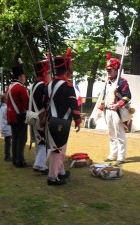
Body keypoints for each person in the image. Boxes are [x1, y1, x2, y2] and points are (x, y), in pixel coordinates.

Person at [44, 49, 82, 185]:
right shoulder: (67, 86)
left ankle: (61, 172)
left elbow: (45, 103)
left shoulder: (48, 85)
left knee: (58, 148)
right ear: (66, 70)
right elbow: (73, 105)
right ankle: (52, 177)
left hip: (50, 120)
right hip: (61, 122)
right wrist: (78, 121)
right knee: (58, 150)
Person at [99, 53, 132, 166]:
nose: (108, 72)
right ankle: (113, 154)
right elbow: (105, 95)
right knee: (111, 134)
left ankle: (121, 157)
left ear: (116, 70)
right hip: (108, 111)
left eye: (110, 70)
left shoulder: (122, 82)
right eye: (107, 70)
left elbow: (127, 96)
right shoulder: (107, 82)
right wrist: (101, 107)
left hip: (117, 111)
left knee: (120, 134)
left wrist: (118, 104)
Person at [6, 59, 29, 168]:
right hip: (20, 117)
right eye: (24, 76)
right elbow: (26, 104)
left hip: (11, 116)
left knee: (15, 139)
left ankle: (15, 159)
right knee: (21, 139)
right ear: (20, 77)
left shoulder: (9, 87)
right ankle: (20, 160)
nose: (25, 78)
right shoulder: (21, 88)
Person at [30, 59, 52, 174]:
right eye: (48, 73)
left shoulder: (33, 85)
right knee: (44, 141)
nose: (49, 75)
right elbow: (46, 103)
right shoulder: (43, 86)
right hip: (41, 116)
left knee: (39, 141)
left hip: (33, 115)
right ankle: (40, 165)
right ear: (44, 73)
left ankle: (38, 163)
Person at [0, 94, 12, 162]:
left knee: (8, 142)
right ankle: (7, 156)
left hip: (4, 127)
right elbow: (8, 117)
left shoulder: (2, 107)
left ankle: (8, 155)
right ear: (4, 100)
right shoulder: (6, 108)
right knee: (8, 143)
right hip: (7, 127)